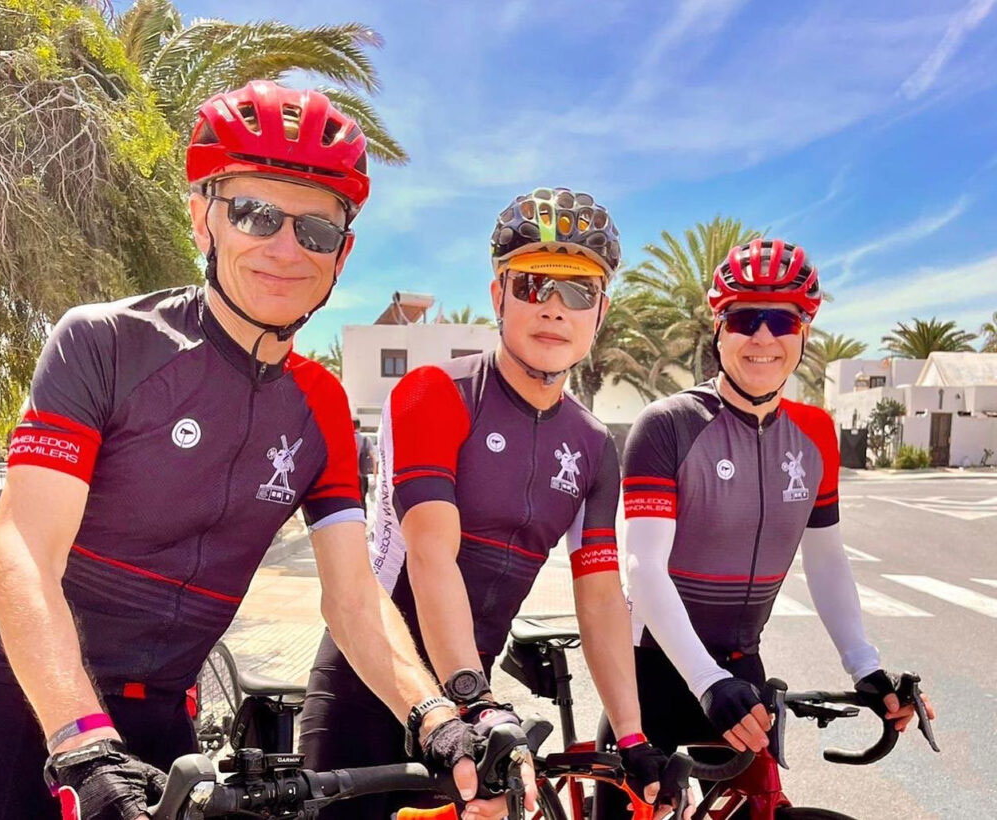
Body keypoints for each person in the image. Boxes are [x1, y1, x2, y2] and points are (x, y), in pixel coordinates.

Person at [0, 81, 482, 820]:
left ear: (343, 252)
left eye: (315, 230)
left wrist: (436, 717)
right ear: (202, 217)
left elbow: (352, 598)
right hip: (26, 704)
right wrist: (81, 742)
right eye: (254, 213)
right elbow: (21, 551)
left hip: (162, 727)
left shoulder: (323, 406)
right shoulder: (107, 342)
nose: (285, 248)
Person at [300, 188, 687, 820]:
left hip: (469, 697)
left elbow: (598, 596)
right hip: (371, 685)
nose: (555, 308)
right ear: (498, 296)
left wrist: (634, 733)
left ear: (601, 311)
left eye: (579, 291)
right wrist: (470, 699)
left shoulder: (592, 444)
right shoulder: (434, 393)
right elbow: (431, 557)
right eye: (534, 284)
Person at [592, 239, 936, 817]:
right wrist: (704, 680)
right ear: (719, 329)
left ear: (803, 333)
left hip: (740, 670)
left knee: (763, 808)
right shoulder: (668, 425)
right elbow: (642, 567)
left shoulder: (815, 432)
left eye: (782, 321)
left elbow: (826, 559)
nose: (763, 338)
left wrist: (866, 667)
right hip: (652, 672)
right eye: (745, 318)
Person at [354, 417, 377, 511]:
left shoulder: (344, 438)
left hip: (348, 477)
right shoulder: (365, 440)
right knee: (362, 501)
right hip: (362, 476)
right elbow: (373, 458)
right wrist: (375, 476)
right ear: (359, 427)